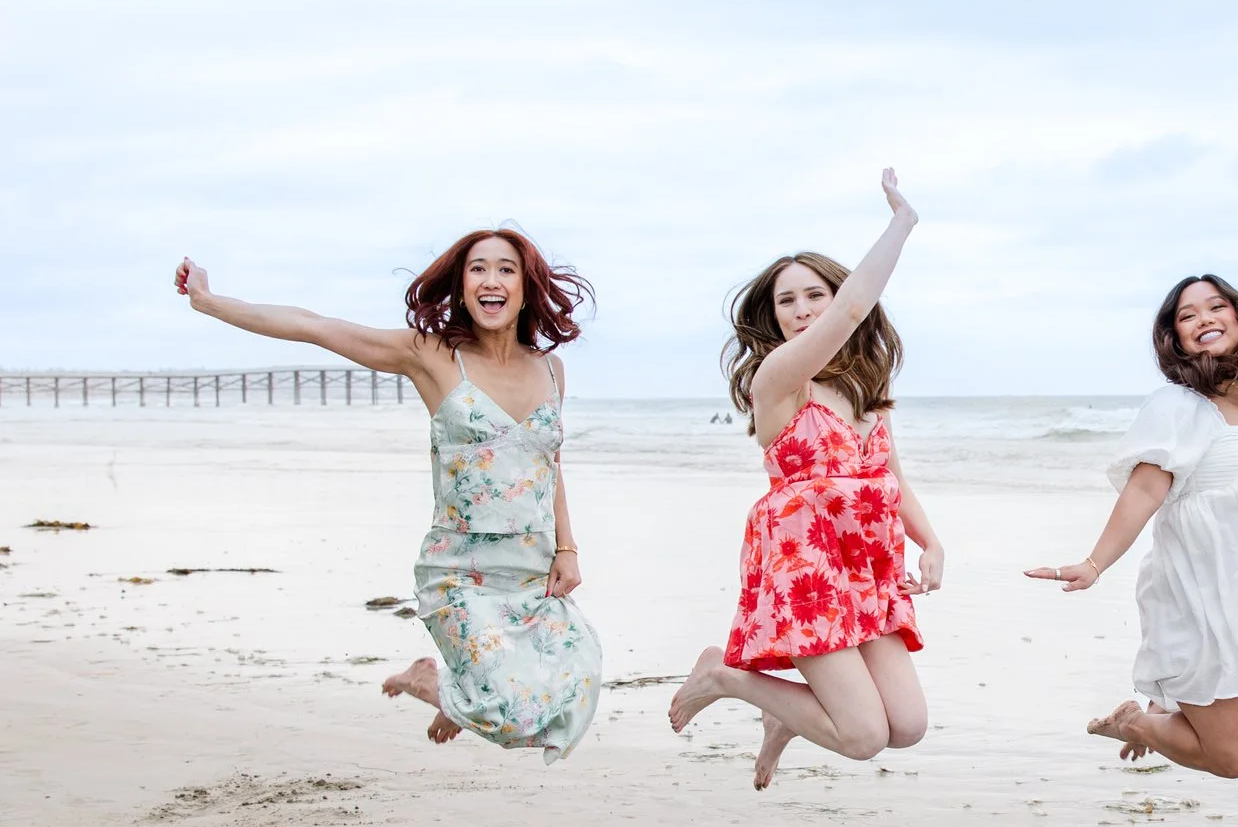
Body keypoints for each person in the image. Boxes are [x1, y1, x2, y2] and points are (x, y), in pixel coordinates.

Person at [174, 231, 602, 758]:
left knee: (576, 687)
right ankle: (430, 684)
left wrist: (567, 547)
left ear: (525, 284)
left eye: (506, 270)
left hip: (531, 565)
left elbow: (548, 463)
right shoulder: (433, 356)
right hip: (462, 569)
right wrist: (210, 302)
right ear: (462, 286)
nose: (491, 281)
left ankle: (456, 697)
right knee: (513, 713)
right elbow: (316, 327)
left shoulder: (550, 368)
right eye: (478, 270)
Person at [668, 171, 940, 789]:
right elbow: (850, 311)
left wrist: (933, 543)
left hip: (865, 567)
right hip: (806, 569)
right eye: (787, 301)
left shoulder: (864, 392)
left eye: (813, 295)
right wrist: (902, 223)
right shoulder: (780, 382)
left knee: (909, 725)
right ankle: (725, 677)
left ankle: (786, 717)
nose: (802, 310)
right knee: (864, 736)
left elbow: (892, 478)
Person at [1028, 275, 1238, 779]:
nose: (1204, 320)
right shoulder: (1181, 407)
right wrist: (1093, 564)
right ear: (1176, 338)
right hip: (1208, 601)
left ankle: (1164, 715)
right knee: (1231, 760)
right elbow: (1144, 492)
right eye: (1188, 316)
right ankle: (1137, 723)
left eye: (1216, 307)